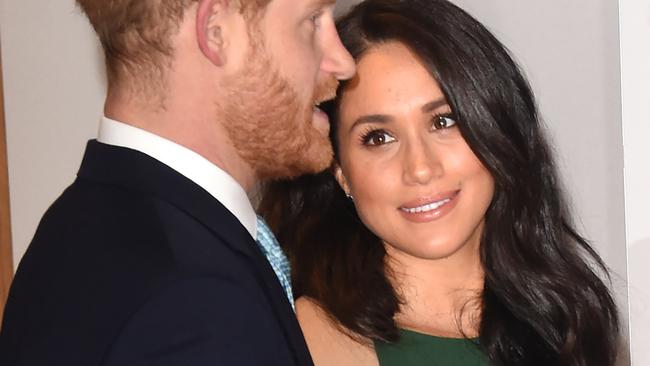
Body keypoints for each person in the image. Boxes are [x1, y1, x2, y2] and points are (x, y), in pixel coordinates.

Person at [259, 0, 621, 365]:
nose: (420, 168)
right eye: (379, 137)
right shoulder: (308, 338)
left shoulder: (568, 321)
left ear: (495, 129)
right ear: (340, 172)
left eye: (443, 121)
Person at [0, 0, 355, 365]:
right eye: (312, 21)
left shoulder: (77, 225)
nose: (343, 62)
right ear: (216, 31)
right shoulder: (194, 300)